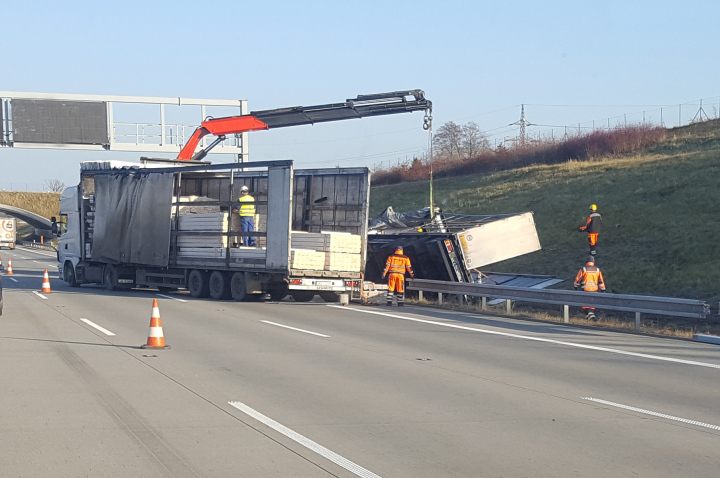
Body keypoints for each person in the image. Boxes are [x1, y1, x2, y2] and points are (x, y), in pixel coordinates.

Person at [573, 256, 606, 320]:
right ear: (593, 262)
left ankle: (590, 315)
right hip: (594, 290)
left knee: (585, 304)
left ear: (587, 262)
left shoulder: (583, 269)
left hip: (585, 289)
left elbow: (578, 279)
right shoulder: (597, 270)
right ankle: (591, 315)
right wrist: (603, 289)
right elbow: (601, 281)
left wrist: (575, 287)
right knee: (592, 303)